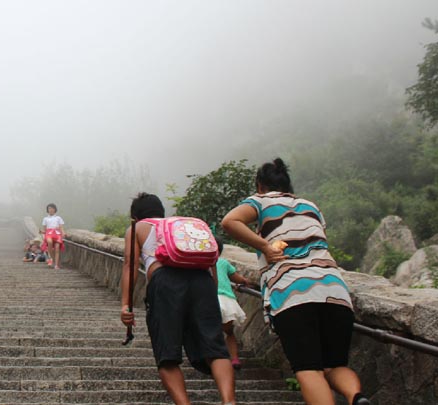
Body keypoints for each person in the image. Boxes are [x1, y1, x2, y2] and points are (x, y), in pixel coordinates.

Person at [221, 158, 370, 405]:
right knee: (335, 366)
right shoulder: (311, 206)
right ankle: (357, 397)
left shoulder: (260, 200)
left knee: (308, 369)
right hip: (334, 290)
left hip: (293, 293)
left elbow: (230, 221)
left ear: (260, 185)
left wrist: (265, 246)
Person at [120, 193, 236, 405]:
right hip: (202, 281)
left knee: (167, 354)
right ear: (162, 211)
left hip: (165, 283)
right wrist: (212, 295)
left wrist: (126, 305)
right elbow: (212, 262)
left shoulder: (139, 228)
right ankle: (229, 402)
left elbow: (130, 265)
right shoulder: (183, 226)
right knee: (216, 348)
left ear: (135, 217)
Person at [213, 237, 251, 370]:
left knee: (209, 330)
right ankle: (234, 359)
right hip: (227, 301)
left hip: (210, 300)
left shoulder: (201, 264)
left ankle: (215, 358)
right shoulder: (223, 262)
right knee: (229, 332)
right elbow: (237, 278)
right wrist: (244, 281)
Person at [41, 203, 65, 269]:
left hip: (57, 233)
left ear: (55, 209)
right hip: (49, 233)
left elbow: (61, 227)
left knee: (57, 248)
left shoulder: (58, 218)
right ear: (47, 210)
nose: (50, 210)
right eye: (49, 208)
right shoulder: (45, 219)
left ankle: (56, 265)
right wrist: (41, 232)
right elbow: (44, 230)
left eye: (52, 208)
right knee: (49, 242)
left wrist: (63, 233)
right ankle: (52, 258)